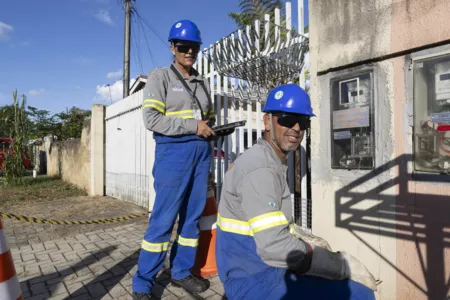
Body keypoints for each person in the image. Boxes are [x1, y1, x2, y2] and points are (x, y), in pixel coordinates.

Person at [216, 83, 378, 300]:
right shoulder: (260, 169)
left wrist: (306, 242)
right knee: (360, 294)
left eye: (302, 121)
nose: (295, 128)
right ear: (267, 121)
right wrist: (333, 264)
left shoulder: (267, 161)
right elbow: (274, 247)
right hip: (254, 277)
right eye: (285, 119)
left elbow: (269, 225)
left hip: (258, 267)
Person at [132, 20, 216, 300]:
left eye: (194, 47)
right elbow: (152, 119)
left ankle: (181, 272)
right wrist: (194, 127)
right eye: (183, 47)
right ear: (172, 48)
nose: (189, 51)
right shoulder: (160, 77)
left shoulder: (202, 82)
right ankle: (143, 282)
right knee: (163, 220)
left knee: (191, 219)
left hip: (201, 154)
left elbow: (208, 118)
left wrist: (211, 128)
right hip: (173, 154)